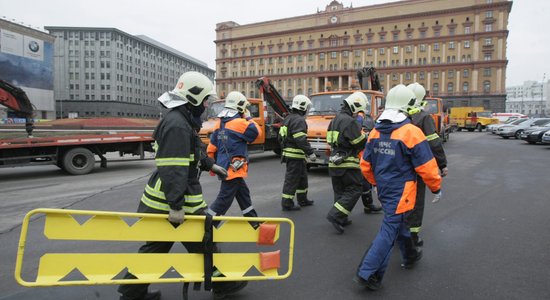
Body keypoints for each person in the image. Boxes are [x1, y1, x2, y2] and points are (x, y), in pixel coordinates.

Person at [118, 72, 247, 300]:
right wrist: (175, 205)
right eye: (206, 99)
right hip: (173, 200)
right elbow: (174, 168)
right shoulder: (178, 124)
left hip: (170, 199)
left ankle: (132, 293)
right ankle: (222, 283)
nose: (207, 104)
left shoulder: (181, 120)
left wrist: (210, 164)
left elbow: (193, 148)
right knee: (200, 241)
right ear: (194, 97)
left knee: (163, 248)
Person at [354, 84, 442, 291]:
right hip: (403, 192)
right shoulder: (411, 132)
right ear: (408, 106)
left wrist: (376, 183)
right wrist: (436, 188)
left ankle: (411, 255)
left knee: (400, 224)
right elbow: (427, 167)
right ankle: (367, 272)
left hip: (384, 190)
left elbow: (365, 165)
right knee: (390, 229)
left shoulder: (375, 132)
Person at [206, 91, 261, 224]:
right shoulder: (240, 123)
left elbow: (211, 147)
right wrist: (248, 117)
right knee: (223, 200)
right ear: (241, 106)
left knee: (243, 195)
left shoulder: (219, 124)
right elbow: (257, 133)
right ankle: (207, 226)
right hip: (234, 169)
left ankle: (254, 222)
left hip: (223, 167)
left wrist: (212, 167)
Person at [406, 83, 449, 246]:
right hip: (417, 170)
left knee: (401, 202)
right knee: (416, 203)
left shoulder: (399, 116)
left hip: (398, 169)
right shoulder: (424, 118)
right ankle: (413, 236)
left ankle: (398, 233)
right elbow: (434, 143)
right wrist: (442, 164)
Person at [325, 91, 368, 233]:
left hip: (334, 162)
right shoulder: (350, 121)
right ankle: (335, 215)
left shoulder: (335, 120)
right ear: (356, 106)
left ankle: (341, 217)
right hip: (347, 163)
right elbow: (359, 143)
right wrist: (365, 136)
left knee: (340, 191)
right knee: (355, 189)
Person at [279, 95, 316, 211]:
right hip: (295, 156)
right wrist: (310, 152)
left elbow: (280, 138)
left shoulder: (288, 118)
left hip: (293, 155)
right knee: (292, 180)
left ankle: (302, 199)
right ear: (303, 107)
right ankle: (287, 203)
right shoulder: (299, 120)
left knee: (302, 178)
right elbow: (300, 139)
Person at [356, 110, 382, 214]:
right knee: (363, 185)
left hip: (364, 162)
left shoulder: (370, 133)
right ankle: (368, 205)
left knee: (365, 185)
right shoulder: (362, 133)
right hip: (360, 162)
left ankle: (368, 205)